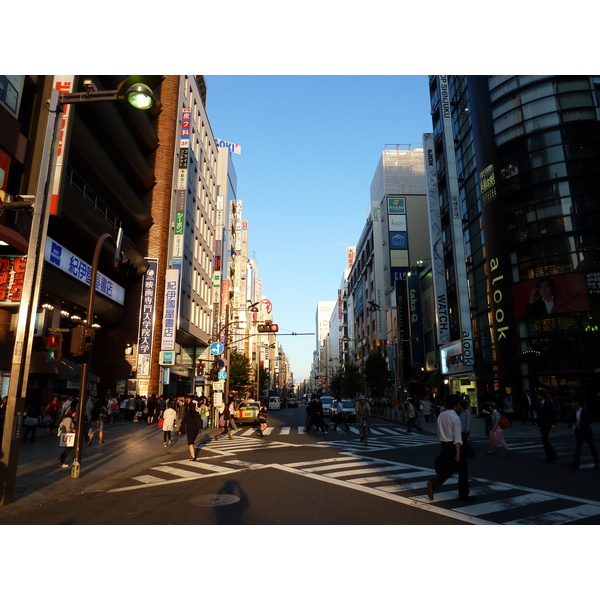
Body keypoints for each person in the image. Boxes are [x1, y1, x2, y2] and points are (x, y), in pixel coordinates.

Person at [427, 395, 471, 501]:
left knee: (449, 469)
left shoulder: (441, 415)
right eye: (458, 404)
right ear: (455, 405)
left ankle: (434, 483)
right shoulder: (455, 418)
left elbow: (438, 432)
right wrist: (458, 453)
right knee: (463, 471)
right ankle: (463, 494)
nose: (459, 406)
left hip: (444, 444)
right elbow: (457, 438)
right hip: (453, 446)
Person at [570, 397, 599, 469]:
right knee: (578, 447)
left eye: (575, 402)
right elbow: (571, 419)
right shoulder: (574, 411)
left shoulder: (585, 410)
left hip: (586, 431)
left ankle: (596, 461)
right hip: (579, 431)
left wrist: (580, 424)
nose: (574, 404)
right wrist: (573, 424)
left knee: (591, 446)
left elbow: (589, 420)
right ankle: (576, 462)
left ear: (579, 403)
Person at [536, 391, 557, 462]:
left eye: (539, 395)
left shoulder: (548, 404)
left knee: (544, 438)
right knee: (544, 440)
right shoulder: (538, 404)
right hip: (542, 424)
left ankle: (552, 454)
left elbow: (552, 414)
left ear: (543, 396)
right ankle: (549, 455)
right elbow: (539, 415)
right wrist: (537, 423)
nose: (538, 397)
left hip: (547, 424)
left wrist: (553, 424)